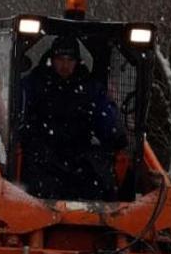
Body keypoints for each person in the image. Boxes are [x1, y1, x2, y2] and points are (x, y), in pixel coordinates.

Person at [19, 36, 126, 201]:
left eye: (70, 60)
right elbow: (19, 108)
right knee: (41, 178)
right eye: (60, 59)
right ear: (52, 59)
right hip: (42, 147)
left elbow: (104, 113)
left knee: (99, 175)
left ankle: (99, 213)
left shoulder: (89, 87)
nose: (65, 65)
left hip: (79, 149)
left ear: (77, 62)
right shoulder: (35, 83)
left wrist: (114, 132)